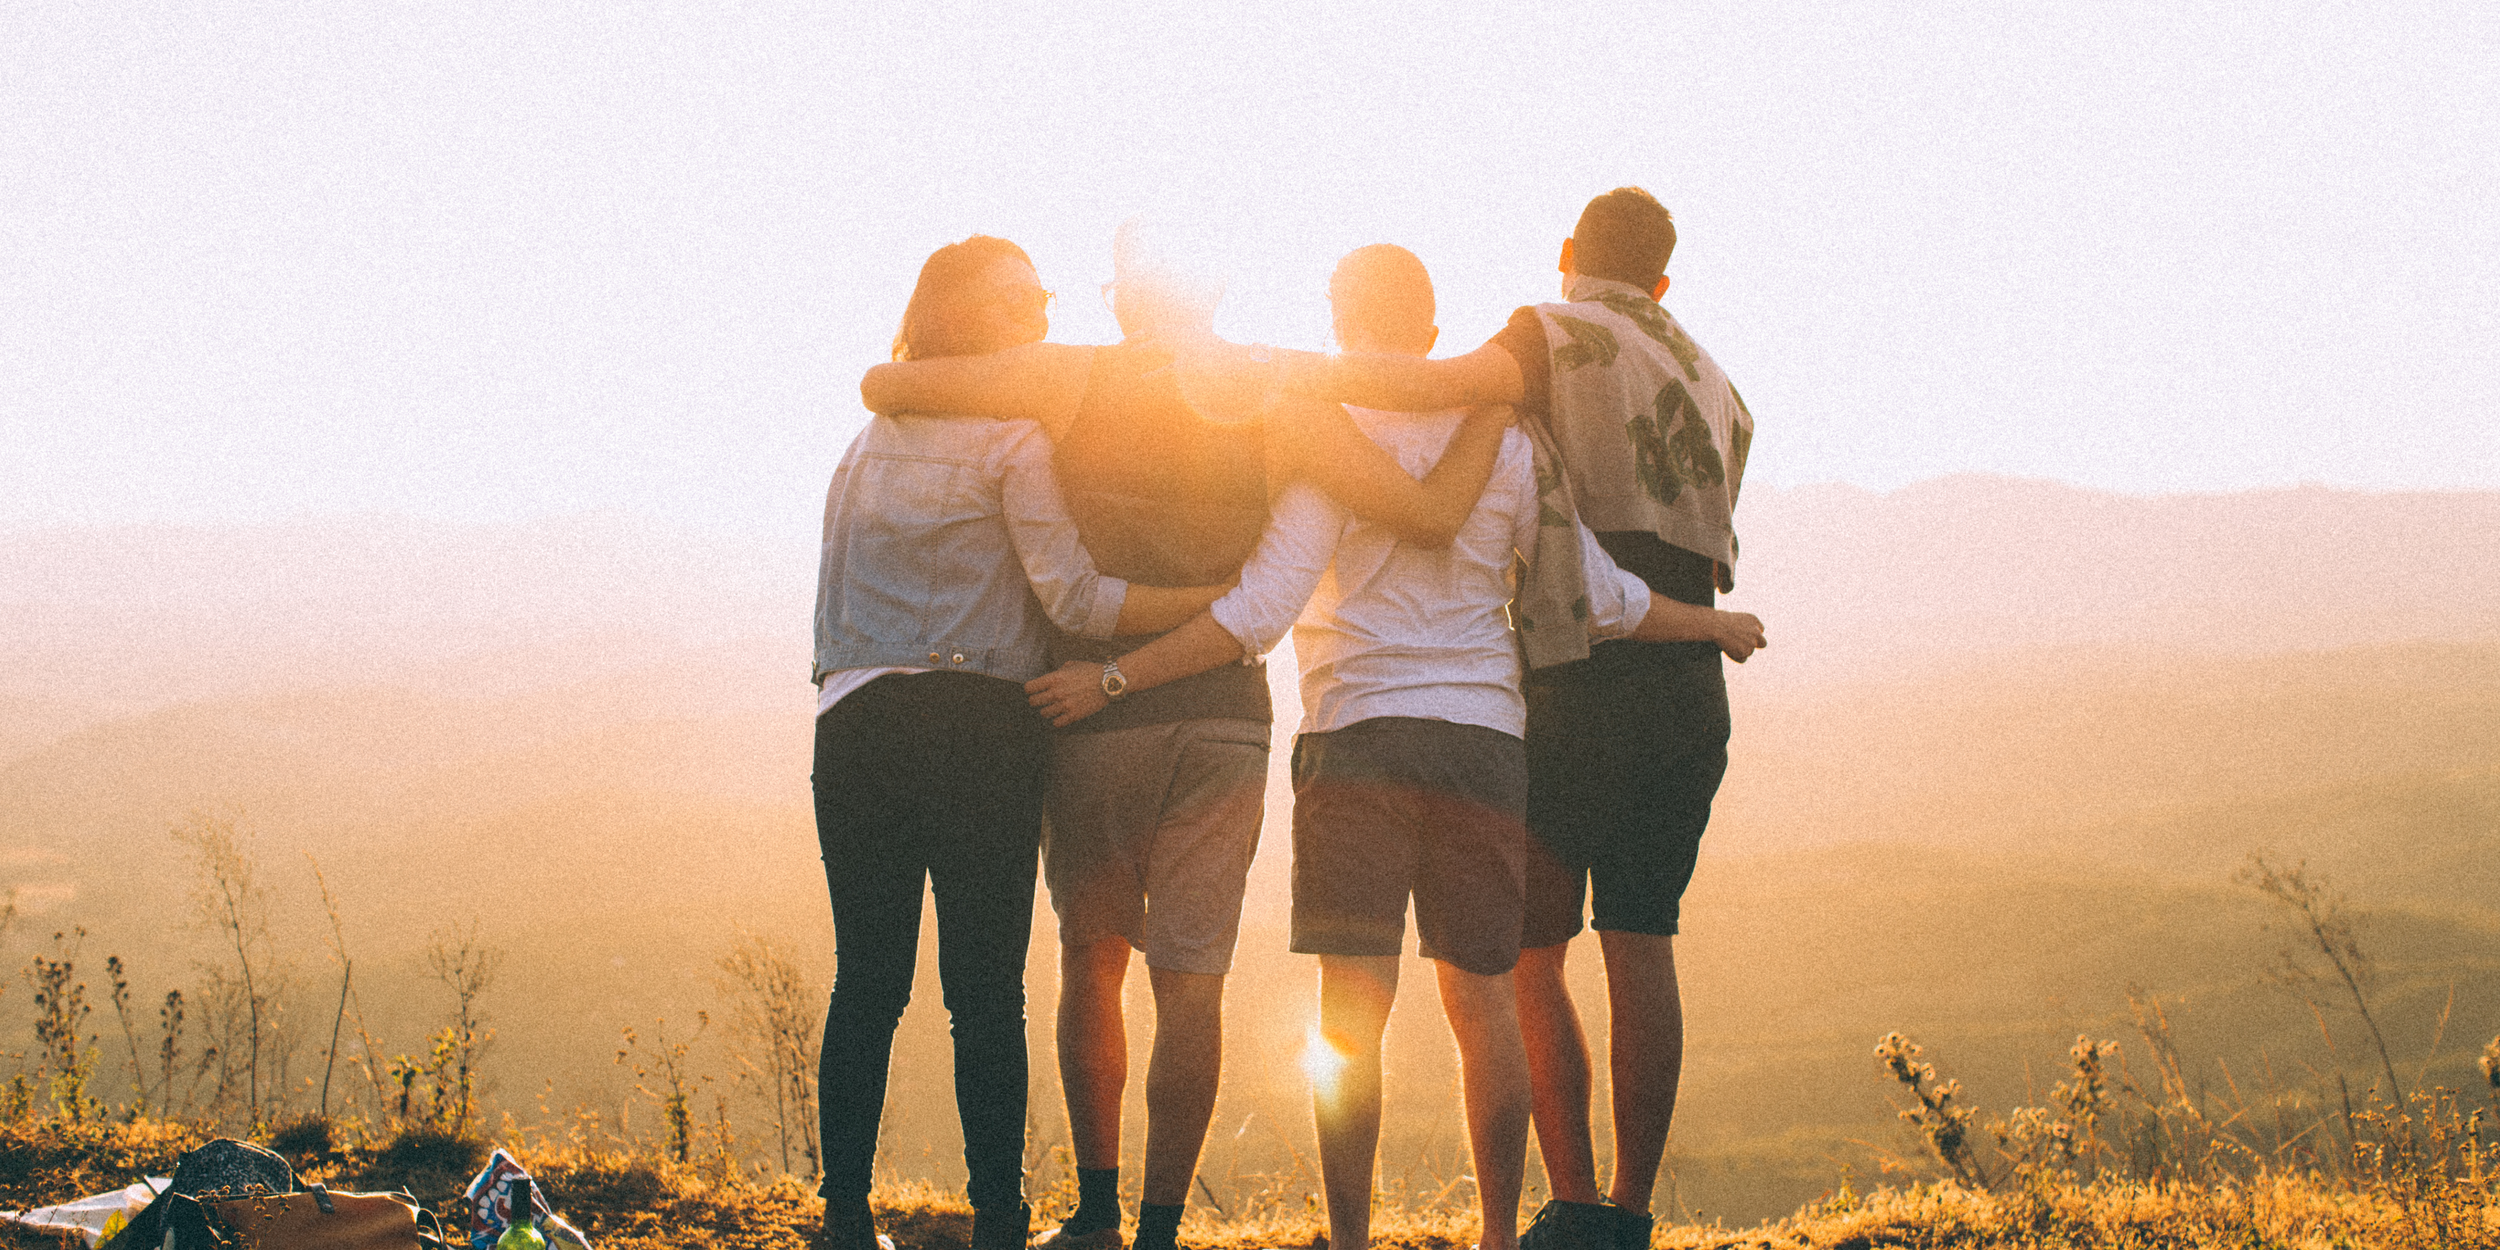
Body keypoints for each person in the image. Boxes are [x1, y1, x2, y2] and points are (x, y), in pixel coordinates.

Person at [1025, 244, 1763, 1250]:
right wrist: (1708, 622)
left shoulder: (1327, 438)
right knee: (1484, 1002)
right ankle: (1499, 1234)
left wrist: (1117, 675)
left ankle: (1350, 1236)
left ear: (1339, 321)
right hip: (1484, 742)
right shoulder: (1505, 438)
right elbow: (1598, 593)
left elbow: (1260, 611)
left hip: (1356, 739)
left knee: (1350, 1015)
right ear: (1427, 327)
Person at [860, 225, 1514, 1250]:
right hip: (1222, 717)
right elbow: (1424, 511)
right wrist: (1494, 394)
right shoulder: (1280, 395)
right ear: (1214, 291)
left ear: (1123, 298)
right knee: (1191, 979)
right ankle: (1162, 1224)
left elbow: (890, 388)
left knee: (1093, 958)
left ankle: (1095, 1213)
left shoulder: (1067, 378)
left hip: (1091, 709)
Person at [1268, 191, 1758, 1250]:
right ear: (1664, 280)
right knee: (1644, 939)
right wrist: (1712, 628)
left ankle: (1567, 1203)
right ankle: (1625, 1211)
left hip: (1573, 668)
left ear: (1569, 253)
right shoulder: (1718, 381)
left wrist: (1275, 375)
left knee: (1525, 957)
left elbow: (1434, 386)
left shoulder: (1549, 334)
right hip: (1680, 670)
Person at [810, 236, 1234, 1250]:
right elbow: (1076, 596)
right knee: (983, 989)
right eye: (1019, 300)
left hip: (857, 721)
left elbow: (829, 607)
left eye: (1041, 294)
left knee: (866, 977)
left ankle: (841, 1219)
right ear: (963, 317)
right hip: (980, 726)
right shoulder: (1012, 441)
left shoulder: (863, 442)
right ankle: (998, 1218)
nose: (1040, 313)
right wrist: (1218, 603)